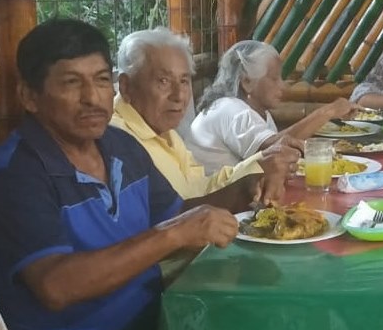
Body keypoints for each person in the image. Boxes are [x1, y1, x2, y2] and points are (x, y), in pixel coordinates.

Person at [0, 19, 256, 330]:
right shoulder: (14, 177)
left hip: (147, 321)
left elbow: (176, 214)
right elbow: (57, 286)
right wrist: (174, 233)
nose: (92, 97)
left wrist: (244, 190)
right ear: (29, 96)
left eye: (101, 80)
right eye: (71, 82)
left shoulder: (121, 146)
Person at [112, 27, 299, 203]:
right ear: (126, 86)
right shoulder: (117, 142)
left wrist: (259, 165)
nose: (179, 96)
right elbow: (174, 212)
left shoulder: (164, 132)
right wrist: (256, 171)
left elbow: (200, 188)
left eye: (184, 81)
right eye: (163, 81)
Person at [181, 40, 358, 173]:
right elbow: (274, 150)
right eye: (274, 78)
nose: (283, 86)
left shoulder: (256, 112)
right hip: (213, 204)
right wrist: (328, 111)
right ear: (247, 82)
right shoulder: (232, 110)